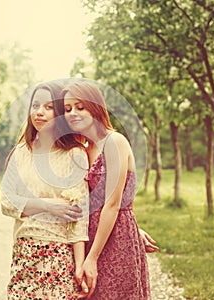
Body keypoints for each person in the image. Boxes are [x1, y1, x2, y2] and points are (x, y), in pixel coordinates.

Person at [61, 80, 158, 299]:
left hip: (115, 240)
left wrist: (93, 257)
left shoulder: (115, 142)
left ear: (94, 106)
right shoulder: (83, 149)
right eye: (67, 109)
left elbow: (113, 204)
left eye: (80, 106)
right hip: (91, 235)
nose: (72, 113)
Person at [0, 81, 90, 299]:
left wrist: (80, 266)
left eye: (49, 107)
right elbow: (6, 202)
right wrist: (48, 206)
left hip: (59, 254)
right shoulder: (21, 152)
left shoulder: (75, 154)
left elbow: (80, 217)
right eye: (35, 105)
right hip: (25, 252)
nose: (39, 112)